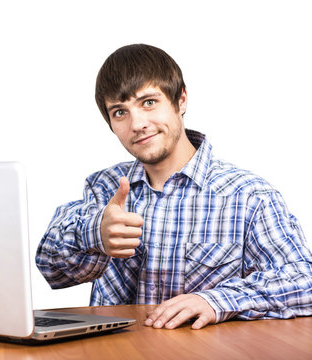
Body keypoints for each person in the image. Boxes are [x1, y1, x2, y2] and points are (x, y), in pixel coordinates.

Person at [35, 44, 312, 330]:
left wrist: (217, 301)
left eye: (149, 102)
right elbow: (52, 269)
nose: (138, 124)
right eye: (120, 112)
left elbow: (304, 281)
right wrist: (96, 233)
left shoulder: (248, 195)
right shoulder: (105, 188)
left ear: (181, 100)